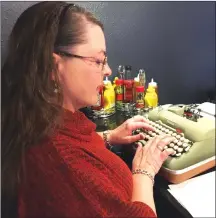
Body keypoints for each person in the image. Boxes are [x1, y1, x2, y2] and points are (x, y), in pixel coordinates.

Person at [2, 2, 175, 218]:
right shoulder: (63, 167)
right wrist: (144, 172)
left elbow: (70, 143)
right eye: (98, 61)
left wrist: (108, 136)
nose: (107, 70)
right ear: (53, 66)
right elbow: (69, 162)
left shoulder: (42, 120)